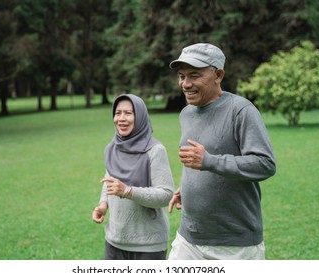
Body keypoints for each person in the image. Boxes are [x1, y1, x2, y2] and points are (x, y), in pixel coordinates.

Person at [167, 43, 276, 260]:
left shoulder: (241, 111)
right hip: (188, 240)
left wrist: (210, 161)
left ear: (218, 75)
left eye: (194, 75)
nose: (185, 84)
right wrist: (187, 187)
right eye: (182, 76)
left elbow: (265, 164)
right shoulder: (186, 113)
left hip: (234, 245)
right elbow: (196, 160)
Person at [92, 93, 175, 260]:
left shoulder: (155, 150)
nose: (121, 118)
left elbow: (166, 195)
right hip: (114, 240)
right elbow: (109, 179)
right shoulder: (113, 147)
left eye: (128, 113)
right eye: (118, 113)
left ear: (141, 116)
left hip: (148, 245)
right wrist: (103, 204)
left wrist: (128, 191)